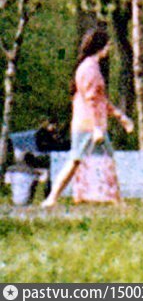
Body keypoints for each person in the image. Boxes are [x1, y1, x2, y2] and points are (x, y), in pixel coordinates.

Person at [41, 26, 133, 206]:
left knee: (100, 160)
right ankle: (52, 198)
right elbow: (92, 100)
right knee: (78, 161)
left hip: (90, 125)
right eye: (107, 45)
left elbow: (100, 100)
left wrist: (120, 116)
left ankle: (116, 201)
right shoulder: (90, 69)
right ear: (100, 46)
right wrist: (97, 128)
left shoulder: (90, 67)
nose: (109, 49)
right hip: (88, 126)